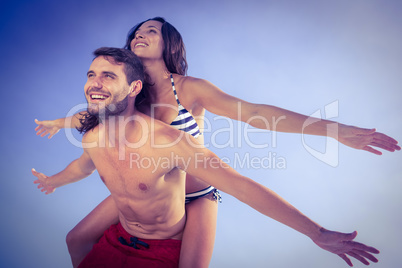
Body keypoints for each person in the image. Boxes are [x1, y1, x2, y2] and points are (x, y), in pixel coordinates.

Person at [34, 17, 400, 267]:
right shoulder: (130, 94)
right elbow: (100, 112)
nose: (139, 36)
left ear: (169, 44)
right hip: (150, 186)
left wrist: (333, 131)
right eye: (136, 33)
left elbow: (259, 113)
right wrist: (61, 122)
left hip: (196, 194)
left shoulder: (189, 89)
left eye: (151, 31)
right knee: (76, 239)